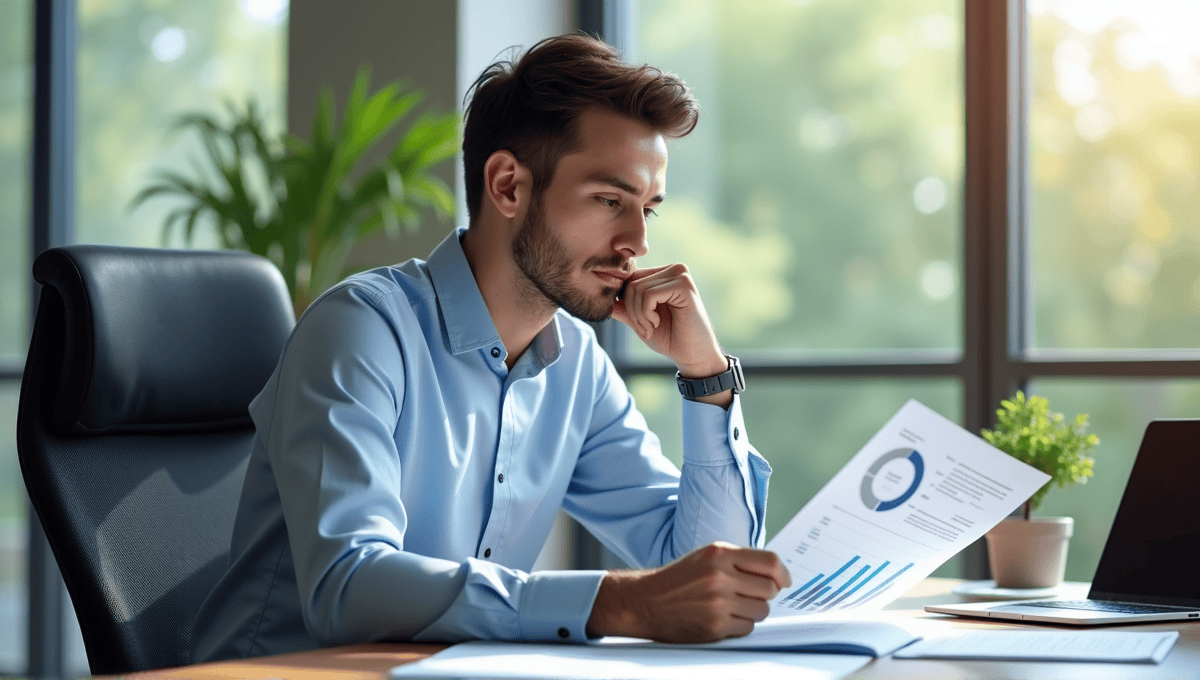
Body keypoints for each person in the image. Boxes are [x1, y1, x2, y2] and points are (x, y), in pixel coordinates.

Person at [190, 33, 790, 662]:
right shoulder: (360, 329)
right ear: (507, 186)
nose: (637, 241)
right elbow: (348, 586)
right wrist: (617, 602)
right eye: (610, 200)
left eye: (649, 209)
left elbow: (705, 575)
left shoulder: (577, 367)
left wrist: (707, 375)